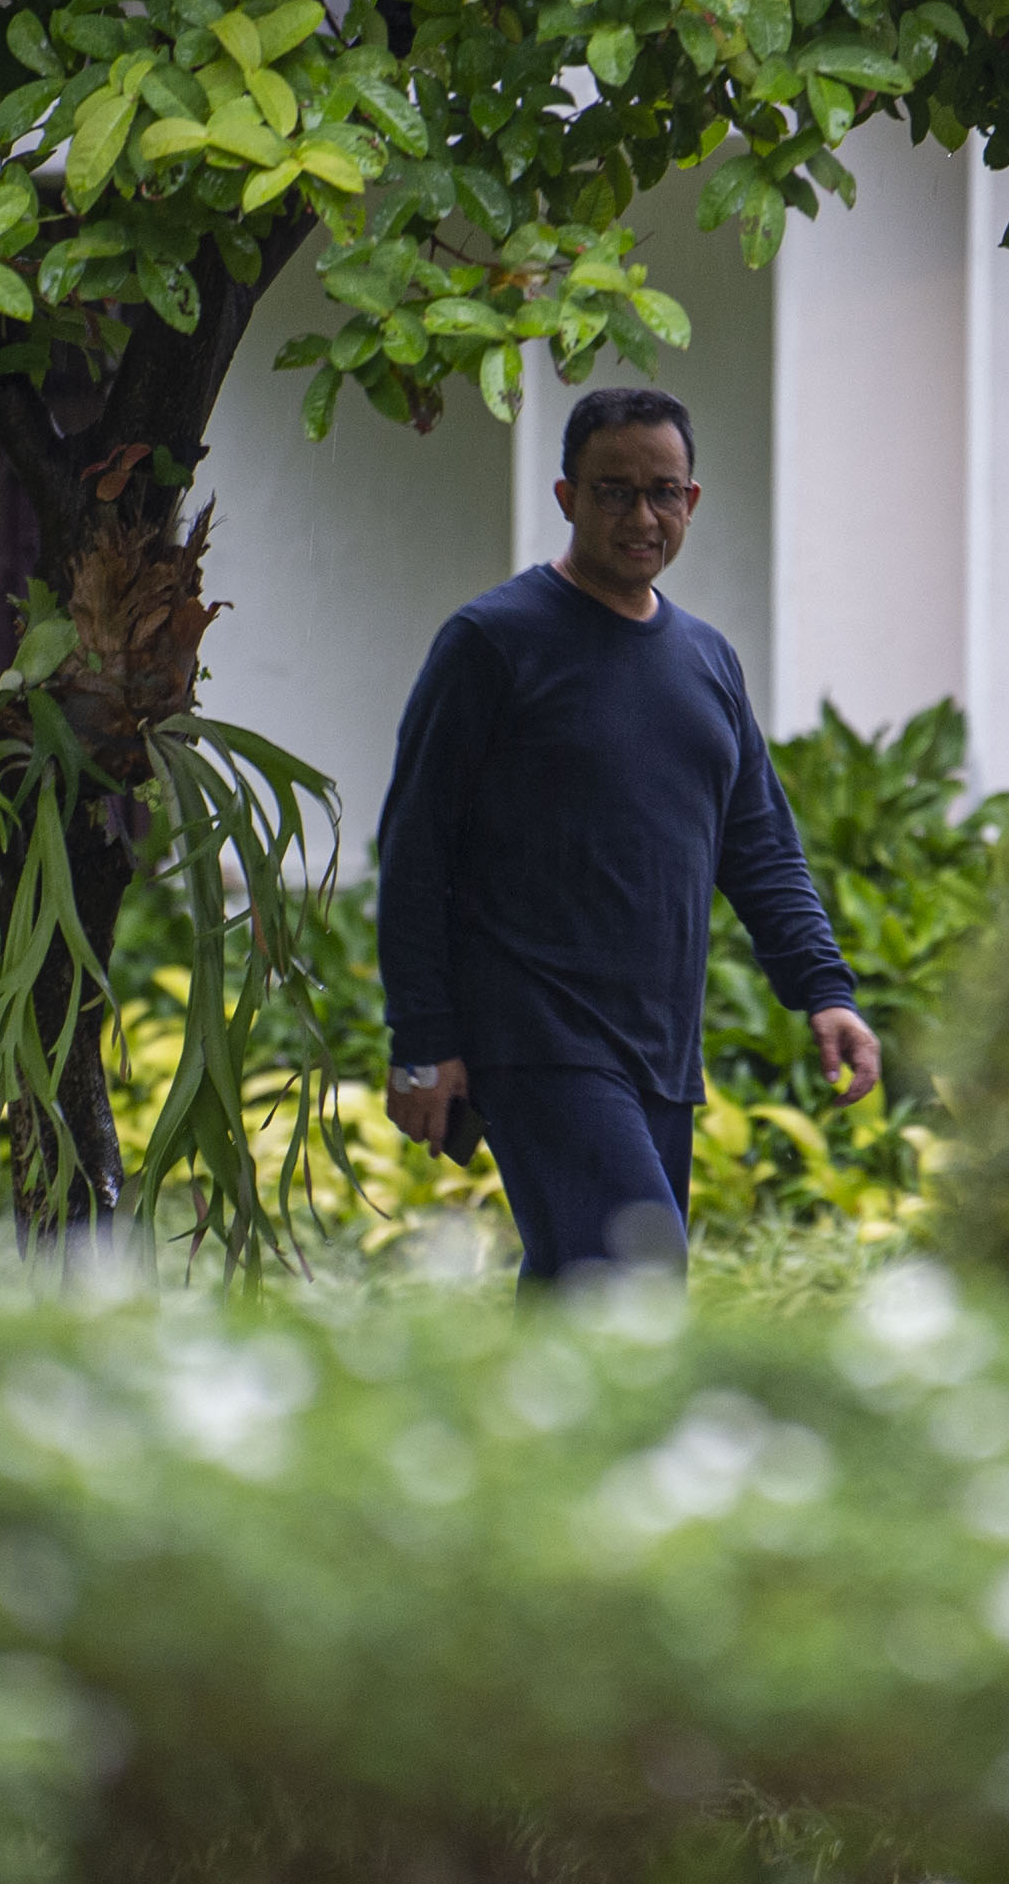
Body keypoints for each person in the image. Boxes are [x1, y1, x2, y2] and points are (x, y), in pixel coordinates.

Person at [374, 384, 883, 1281]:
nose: (642, 515)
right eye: (614, 491)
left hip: (660, 1051)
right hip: (535, 1035)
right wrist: (424, 1041)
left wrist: (825, 991)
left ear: (691, 501)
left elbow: (759, 845)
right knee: (635, 1275)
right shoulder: (493, 644)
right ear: (568, 497)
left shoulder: (706, 659)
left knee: (585, 1297)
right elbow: (415, 854)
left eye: (664, 492)